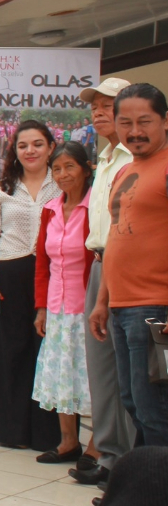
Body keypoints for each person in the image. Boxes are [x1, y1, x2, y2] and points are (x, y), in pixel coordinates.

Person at [0, 120, 61, 450]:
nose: (30, 151)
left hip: (53, 276)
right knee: (11, 354)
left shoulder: (63, 183)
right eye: (23, 146)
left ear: (51, 147)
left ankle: (47, 434)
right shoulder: (2, 188)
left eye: (38, 144)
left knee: (45, 353)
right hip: (9, 276)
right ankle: (9, 430)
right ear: (15, 151)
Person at [91, 83, 168, 447]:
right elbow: (116, 240)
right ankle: (145, 490)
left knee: (156, 409)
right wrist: (103, 300)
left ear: (165, 121)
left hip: (156, 308)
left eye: (145, 121)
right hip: (122, 307)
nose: (135, 131)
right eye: (126, 123)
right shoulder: (125, 171)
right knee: (134, 402)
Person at [70, 77, 135, 487]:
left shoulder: (137, 157)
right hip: (98, 265)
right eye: (94, 105)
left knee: (131, 372)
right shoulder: (105, 158)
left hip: (127, 269)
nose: (98, 111)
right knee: (102, 369)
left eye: (108, 103)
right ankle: (111, 455)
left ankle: (131, 463)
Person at [32, 142, 95, 463]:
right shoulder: (51, 210)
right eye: (56, 168)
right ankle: (68, 442)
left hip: (88, 307)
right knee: (61, 373)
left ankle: (97, 445)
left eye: (70, 167)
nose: (62, 174)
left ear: (86, 169)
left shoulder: (94, 206)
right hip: (56, 308)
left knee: (91, 374)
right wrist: (41, 307)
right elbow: (42, 263)